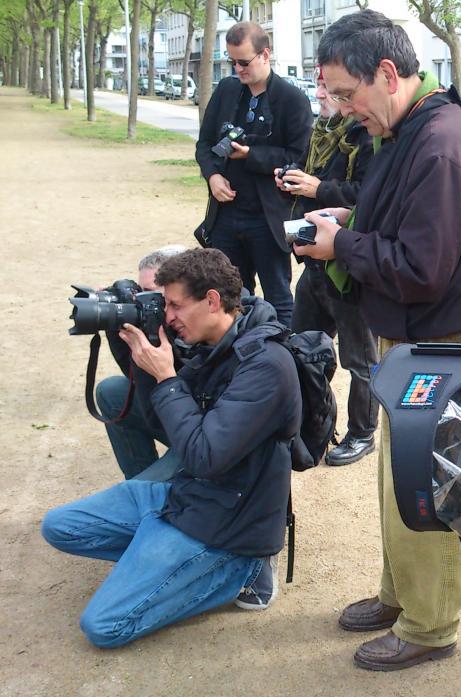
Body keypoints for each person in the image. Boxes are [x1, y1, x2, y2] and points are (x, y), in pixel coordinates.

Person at [294, 10, 461, 671]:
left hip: (441, 345)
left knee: (428, 488)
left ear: (387, 74)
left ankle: (430, 626)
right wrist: (351, 217)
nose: (343, 110)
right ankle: (400, 594)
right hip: (413, 342)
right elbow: (408, 225)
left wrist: (341, 243)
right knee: (396, 482)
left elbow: (421, 267)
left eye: (347, 94)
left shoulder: (438, 142)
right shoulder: (409, 130)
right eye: (331, 95)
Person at [41, 249, 301, 648]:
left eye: (176, 305)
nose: (169, 316)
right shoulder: (206, 340)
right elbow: (167, 426)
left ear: (212, 300)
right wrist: (141, 356)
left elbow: (203, 456)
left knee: (104, 626)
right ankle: (160, 555)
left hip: (227, 518)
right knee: (59, 526)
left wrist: (166, 377)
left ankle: (242, 572)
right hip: (182, 497)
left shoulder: (266, 365)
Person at [276, 68, 379, 467]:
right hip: (314, 261)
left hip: (349, 266)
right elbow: (315, 183)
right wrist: (290, 182)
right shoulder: (323, 133)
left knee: (360, 360)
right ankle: (309, 425)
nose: (321, 94)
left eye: (328, 88)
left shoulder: (368, 137)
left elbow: (367, 198)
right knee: (300, 347)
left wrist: (316, 187)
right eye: (318, 86)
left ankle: (362, 433)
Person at [194, 21, 312, 327]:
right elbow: (205, 144)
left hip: (267, 217)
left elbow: (298, 158)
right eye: (231, 62)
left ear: (265, 55)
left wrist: (251, 155)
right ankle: (235, 363)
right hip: (225, 215)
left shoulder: (292, 99)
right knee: (228, 297)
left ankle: (283, 364)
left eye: (244, 62)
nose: (237, 70)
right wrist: (212, 177)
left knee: (279, 299)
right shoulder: (227, 91)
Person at [96, 245, 187, 481]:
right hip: (173, 415)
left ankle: (147, 491)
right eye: (139, 293)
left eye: (151, 293)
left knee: (137, 494)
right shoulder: (159, 323)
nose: (143, 302)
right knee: (112, 391)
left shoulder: (198, 325)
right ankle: (139, 479)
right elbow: (136, 378)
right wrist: (117, 329)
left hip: (203, 434)